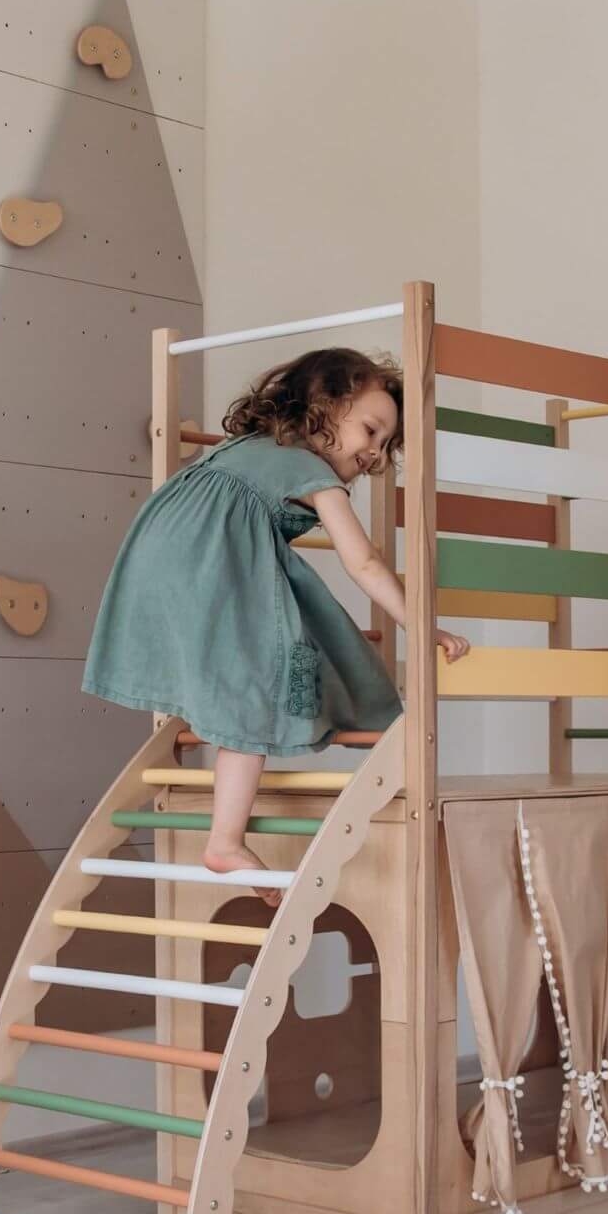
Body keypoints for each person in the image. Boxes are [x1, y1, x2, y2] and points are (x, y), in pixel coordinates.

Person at [83, 347, 468, 900]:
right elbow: (363, 561)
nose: (376, 454)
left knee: (235, 664)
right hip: (208, 562)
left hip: (156, 556)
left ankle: (221, 804)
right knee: (255, 687)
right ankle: (225, 841)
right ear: (323, 404)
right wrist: (420, 623)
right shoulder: (308, 468)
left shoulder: (243, 449)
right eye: (370, 430)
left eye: (386, 445)